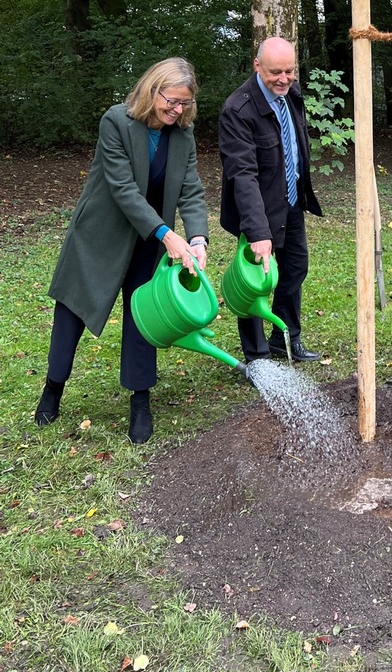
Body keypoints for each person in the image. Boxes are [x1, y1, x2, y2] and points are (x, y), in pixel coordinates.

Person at [36, 58, 209, 444]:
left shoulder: (183, 134)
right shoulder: (116, 121)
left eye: (185, 104)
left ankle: (140, 399)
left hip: (147, 242)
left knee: (143, 314)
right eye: (171, 101)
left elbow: (191, 190)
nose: (177, 110)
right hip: (100, 235)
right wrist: (167, 234)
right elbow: (123, 189)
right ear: (152, 90)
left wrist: (197, 238)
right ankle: (53, 387)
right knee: (72, 312)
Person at [219, 36, 323, 365]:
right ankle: (257, 355)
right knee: (255, 280)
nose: (283, 78)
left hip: (290, 201)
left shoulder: (291, 94)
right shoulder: (238, 109)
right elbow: (242, 174)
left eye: (290, 71)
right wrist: (258, 231)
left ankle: (285, 338)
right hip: (256, 210)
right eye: (275, 72)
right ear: (257, 66)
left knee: (294, 268)